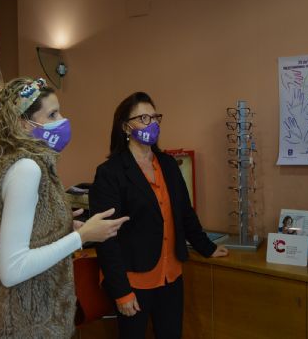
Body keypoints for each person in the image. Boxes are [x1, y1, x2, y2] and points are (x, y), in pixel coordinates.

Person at [0, 77, 129, 338]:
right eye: (52, 114)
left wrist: (59, 224)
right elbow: (12, 269)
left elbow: (1, 231)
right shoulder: (26, 168)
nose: (62, 120)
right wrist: (81, 237)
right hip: (21, 324)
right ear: (24, 124)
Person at [90, 91, 228, 339]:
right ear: (125, 126)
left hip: (171, 275)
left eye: (155, 117)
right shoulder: (110, 173)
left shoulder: (167, 164)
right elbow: (106, 239)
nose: (151, 124)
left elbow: (184, 211)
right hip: (134, 281)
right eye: (143, 118)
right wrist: (121, 292)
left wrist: (206, 246)